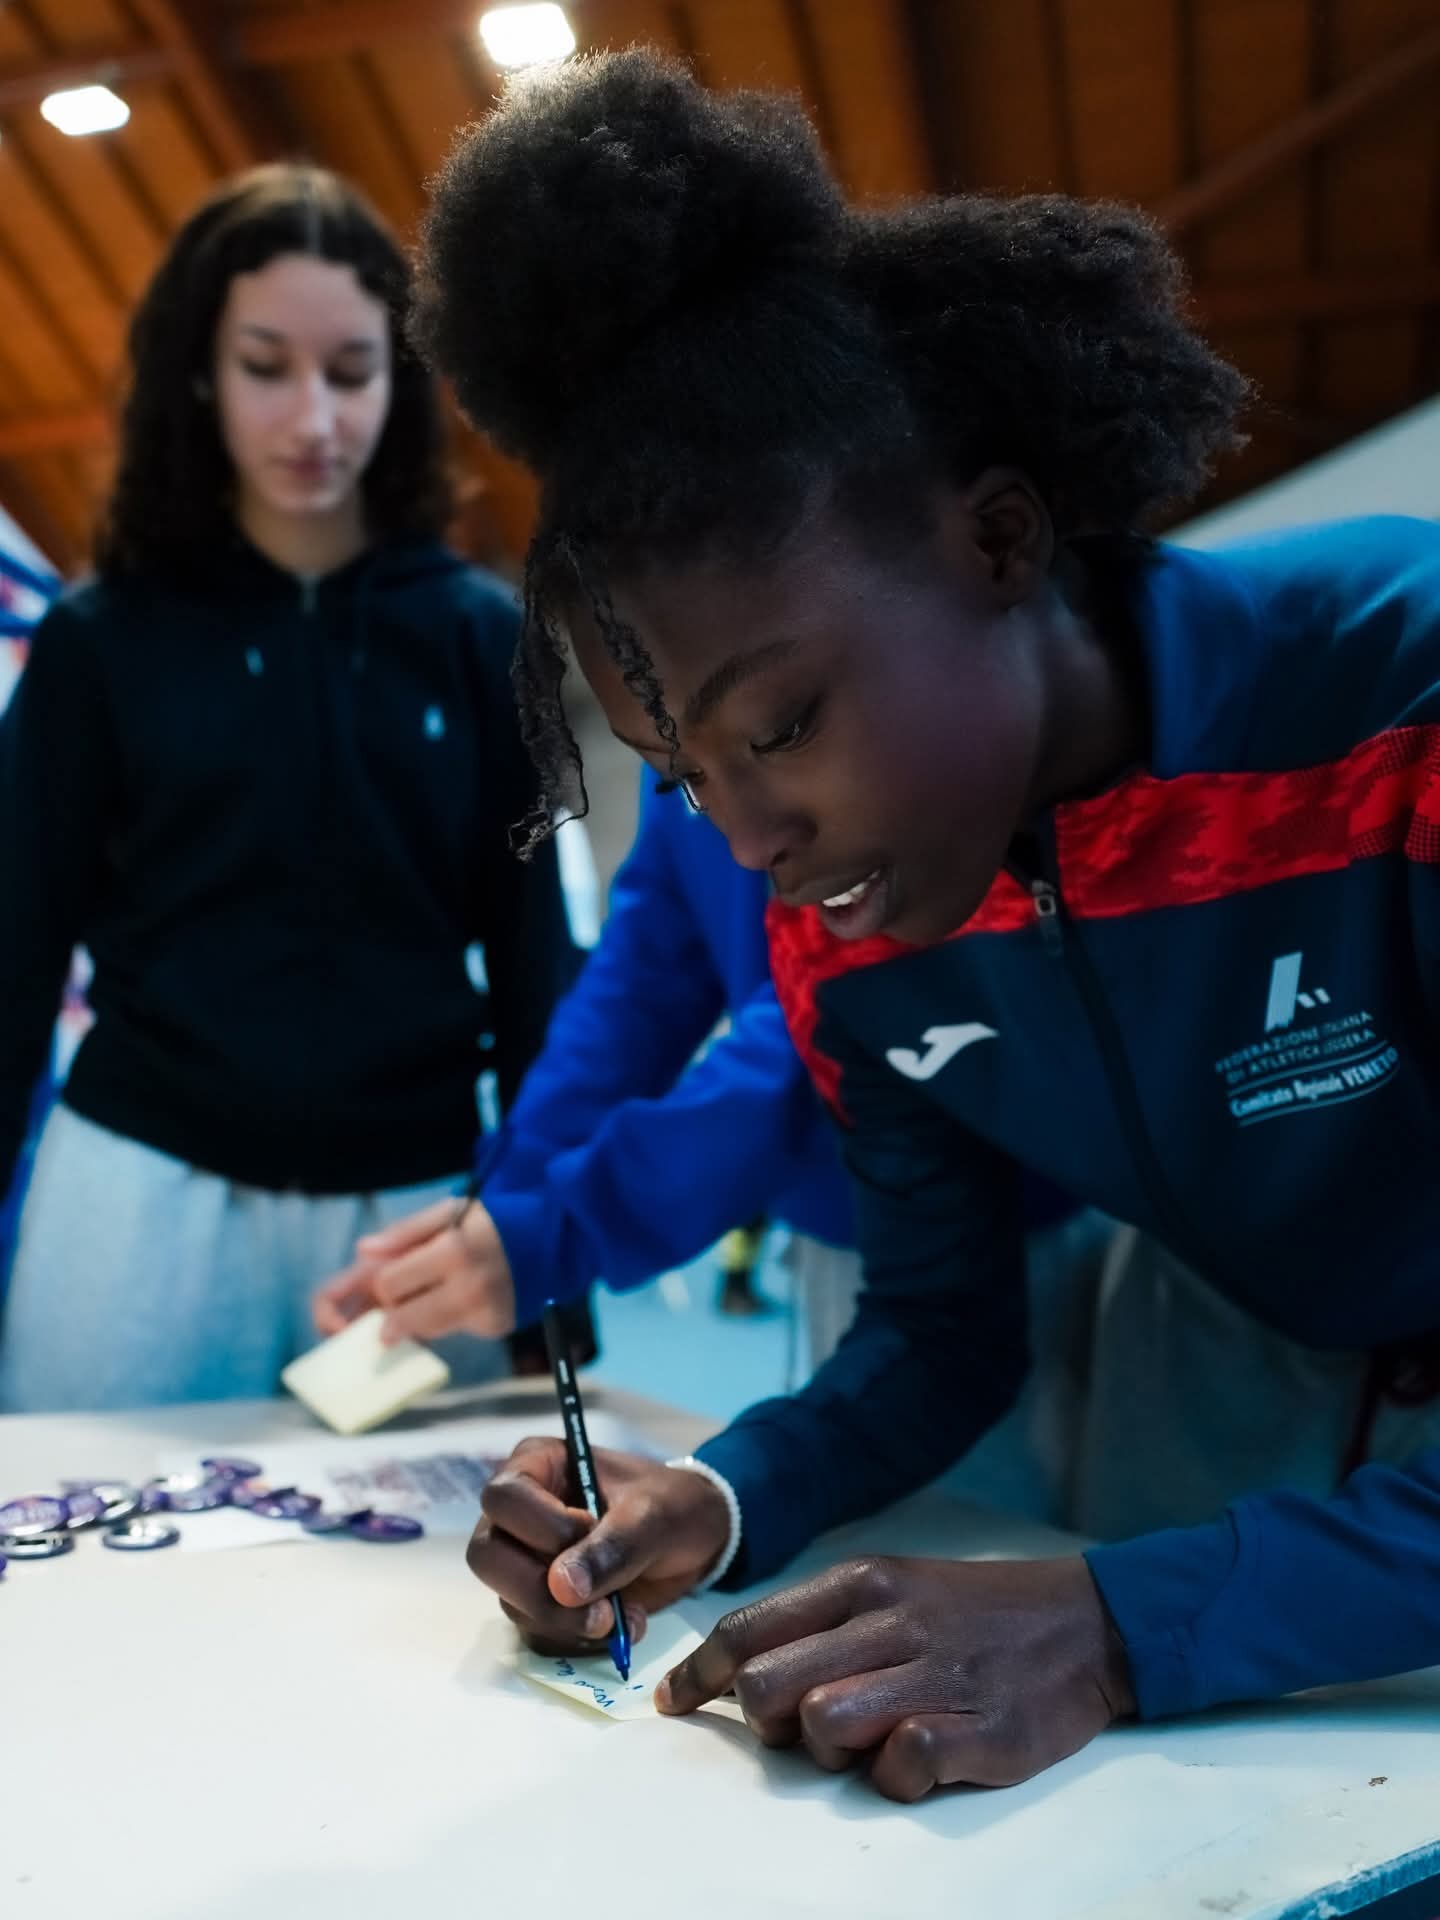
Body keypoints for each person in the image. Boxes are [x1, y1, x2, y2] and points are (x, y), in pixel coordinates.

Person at [413, 50, 1440, 1802]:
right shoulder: (853, 928)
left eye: (783, 724)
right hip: (1236, 1384)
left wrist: (1117, 1625)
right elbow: (940, 1327)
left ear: (1000, 538)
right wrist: (720, 1496)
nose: (753, 843)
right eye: (685, 779)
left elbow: (1133, 1617)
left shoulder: (1399, 703)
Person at [0, 163, 578, 1412]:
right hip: (144, 1201)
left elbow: (537, 963)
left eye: (352, 371)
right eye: (267, 367)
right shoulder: (101, 643)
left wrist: (553, 1272)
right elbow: (12, 958)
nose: (314, 418)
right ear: (201, 374)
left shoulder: (481, 638)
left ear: (400, 380)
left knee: (429, 1544)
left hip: (412, 1215)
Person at [313, 764, 858, 1371]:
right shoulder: (674, 740)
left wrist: (561, 1227)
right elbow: (644, 977)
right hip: (839, 1202)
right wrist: (504, 1201)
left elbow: (840, 1012)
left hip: (919, 1181)